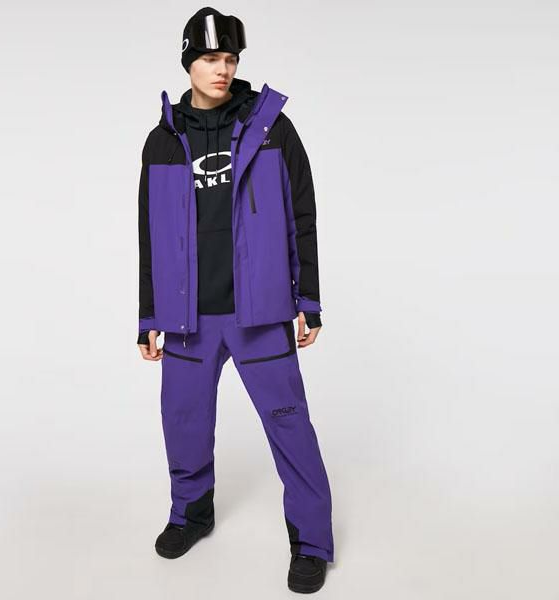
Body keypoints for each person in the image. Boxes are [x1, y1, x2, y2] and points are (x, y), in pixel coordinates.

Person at [136, 7, 334, 593]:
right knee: (183, 422)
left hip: (260, 312)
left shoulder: (272, 129)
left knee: (289, 425)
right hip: (188, 318)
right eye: (210, 58)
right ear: (188, 63)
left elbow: (303, 216)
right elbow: (149, 235)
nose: (222, 69)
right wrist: (149, 315)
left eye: (230, 59)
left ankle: (311, 541)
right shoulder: (162, 142)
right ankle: (191, 513)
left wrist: (308, 299)